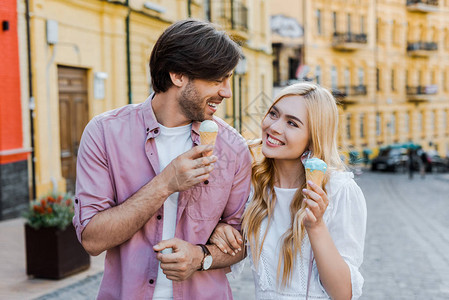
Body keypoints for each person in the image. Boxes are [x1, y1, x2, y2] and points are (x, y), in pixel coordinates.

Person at [73, 19, 252, 299]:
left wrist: (201, 255)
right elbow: (92, 240)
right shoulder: (104, 133)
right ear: (178, 75)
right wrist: (165, 184)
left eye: (228, 79)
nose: (226, 92)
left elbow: (241, 244)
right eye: (217, 79)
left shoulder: (233, 148)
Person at [210, 82, 367, 299]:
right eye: (274, 114)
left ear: (313, 138)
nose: (274, 127)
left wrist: (316, 226)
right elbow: (231, 246)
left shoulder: (339, 190)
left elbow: (343, 293)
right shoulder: (253, 184)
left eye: (292, 123)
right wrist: (218, 229)